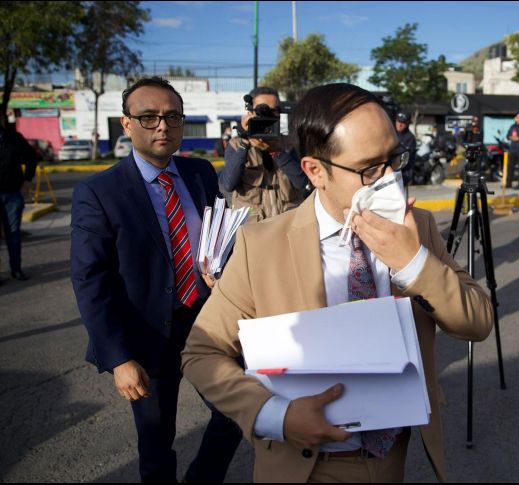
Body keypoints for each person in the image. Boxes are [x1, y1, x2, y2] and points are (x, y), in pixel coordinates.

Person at [181, 83, 494, 483]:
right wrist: (276, 415)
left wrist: (414, 263)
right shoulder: (260, 246)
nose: (389, 178)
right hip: (305, 469)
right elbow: (202, 352)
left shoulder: (417, 227)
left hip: (391, 459)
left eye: (394, 159)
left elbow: (477, 323)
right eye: (369, 169)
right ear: (315, 171)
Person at [70, 77, 243, 483]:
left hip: (205, 325)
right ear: (127, 124)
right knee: (156, 444)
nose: (162, 126)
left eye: (172, 116)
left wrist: (222, 272)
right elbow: (91, 281)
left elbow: (220, 238)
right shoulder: (99, 191)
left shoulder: (200, 172)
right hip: (146, 338)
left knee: (235, 413)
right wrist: (118, 358)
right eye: (148, 117)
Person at [219, 86, 308, 221]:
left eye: (275, 110)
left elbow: (301, 182)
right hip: (253, 225)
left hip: (287, 222)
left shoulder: (290, 143)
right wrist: (244, 143)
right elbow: (228, 184)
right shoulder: (236, 144)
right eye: (263, 110)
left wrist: (278, 152)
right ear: (250, 112)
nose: (269, 115)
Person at [0, 123, 38, 283]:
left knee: (13, 234)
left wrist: (27, 180)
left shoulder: (14, 138)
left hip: (12, 195)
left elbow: (31, 157)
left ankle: (16, 269)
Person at [394, 112, 416, 185]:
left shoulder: (410, 138)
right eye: (398, 121)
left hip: (403, 174)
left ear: (407, 124)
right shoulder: (392, 134)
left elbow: (404, 157)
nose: (399, 125)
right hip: (391, 173)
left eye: (402, 123)